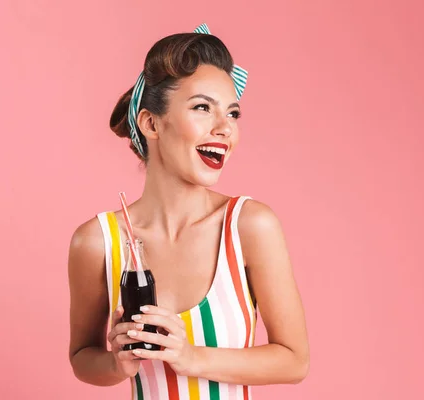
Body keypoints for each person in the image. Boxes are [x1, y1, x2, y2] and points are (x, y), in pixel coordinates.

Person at [67, 23, 310, 399]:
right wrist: (116, 364)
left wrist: (191, 356)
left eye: (232, 114)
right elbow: (83, 357)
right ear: (151, 123)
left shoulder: (248, 226)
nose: (224, 128)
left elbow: (295, 361)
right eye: (202, 108)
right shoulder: (97, 241)